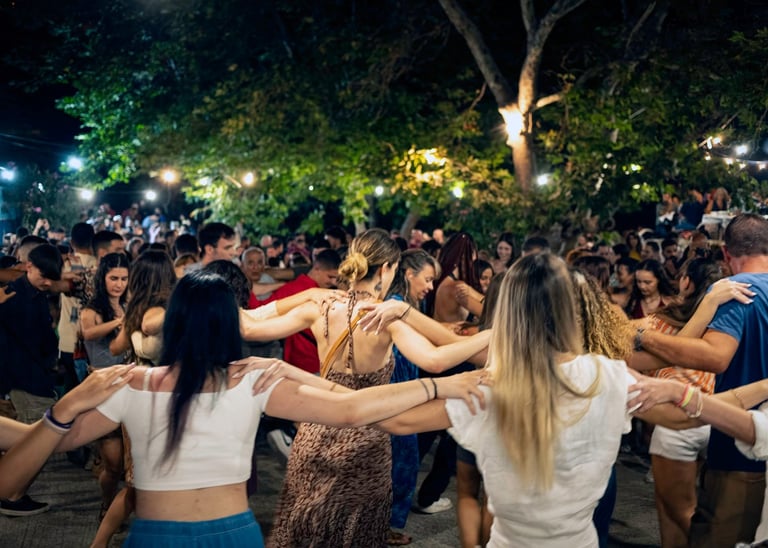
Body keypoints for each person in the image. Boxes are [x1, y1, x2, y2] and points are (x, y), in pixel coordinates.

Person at [0, 269, 487, 547]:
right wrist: (444, 387)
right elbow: (357, 410)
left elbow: (31, 444)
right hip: (231, 535)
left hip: (160, 535)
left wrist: (65, 407)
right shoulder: (251, 380)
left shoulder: (135, 383)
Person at [238, 228, 491, 547]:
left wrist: (307, 294)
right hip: (365, 438)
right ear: (386, 269)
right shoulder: (384, 318)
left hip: (315, 431)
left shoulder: (319, 307)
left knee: (307, 532)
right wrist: (492, 334)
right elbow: (435, 360)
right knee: (354, 535)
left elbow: (248, 326)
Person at [636, 213, 768, 545]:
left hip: (742, 454)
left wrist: (645, 337)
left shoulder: (739, 290)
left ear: (727, 254)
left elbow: (715, 356)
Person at [629, 258, 745, 546]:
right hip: (727, 416)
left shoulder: (660, 323)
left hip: (678, 420)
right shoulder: (738, 318)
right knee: (715, 509)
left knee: (676, 511)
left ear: (686, 282)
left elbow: (629, 352)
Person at [0, 243, 63, 516]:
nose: (48, 281)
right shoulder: (13, 298)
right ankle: (11, 494)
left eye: (52, 276)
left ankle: (13, 492)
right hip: (23, 378)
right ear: (28, 267)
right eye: (43, 275)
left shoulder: (33, 294)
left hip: (34, 376)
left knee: (35, 440)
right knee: (36, 441)